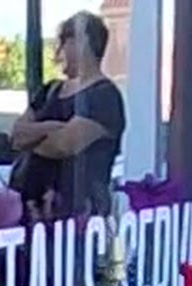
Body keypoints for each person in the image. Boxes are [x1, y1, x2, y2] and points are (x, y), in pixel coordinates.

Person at [10, 11, 125, 219]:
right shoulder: (49, 90)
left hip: (77, 216)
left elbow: (62, 145)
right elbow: (17, 135)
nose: (58, 51)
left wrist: (32, 137)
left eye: (64, 42)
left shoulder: (104, 96)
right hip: (30, 214)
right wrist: (51, 127)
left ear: (82, 42)